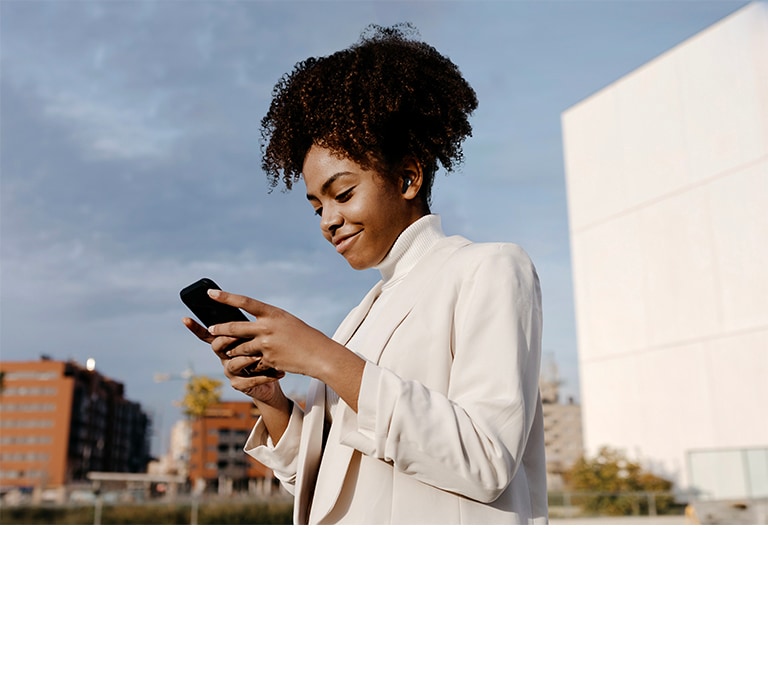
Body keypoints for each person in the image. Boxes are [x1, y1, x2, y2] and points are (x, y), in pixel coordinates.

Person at [183, 24, 548, 524]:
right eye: (316, 207)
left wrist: (322, 357)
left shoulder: (489, 268)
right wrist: (272, 400)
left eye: (343, 193)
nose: (328, 220)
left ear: (407, 177)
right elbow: (322, 486)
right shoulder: (361, 316)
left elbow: (486, 461)